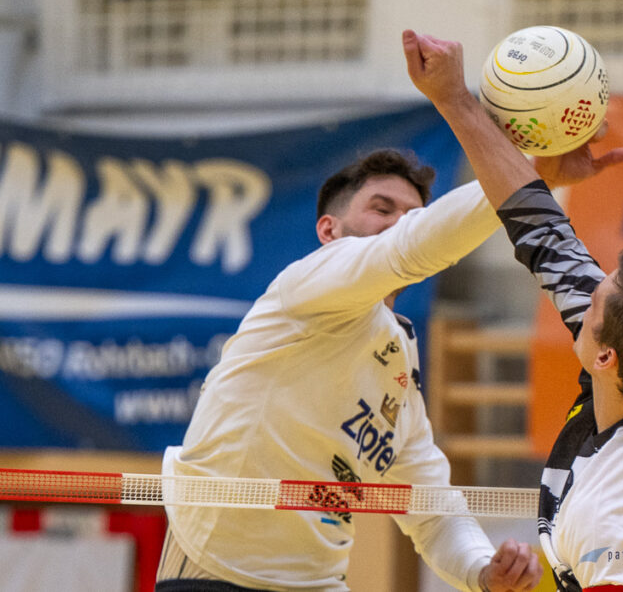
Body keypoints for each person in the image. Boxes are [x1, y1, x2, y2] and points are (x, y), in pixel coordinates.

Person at [403, 30, 623, 592]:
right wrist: (454, 100)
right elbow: (540, 229)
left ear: (606, 356)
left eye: (593, 300)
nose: (582, 292)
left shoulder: (620, 511)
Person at [156, 148, 544, 591]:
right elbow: (410, 246)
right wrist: (529, 174)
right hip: (218, 572)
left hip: (319, 582)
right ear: (330, 230)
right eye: (382, 208)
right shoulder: (309, 284)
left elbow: (433, 515)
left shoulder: (399, 364)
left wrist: (484, 571)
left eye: (413, 215)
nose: (400, 223)